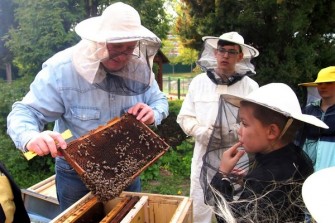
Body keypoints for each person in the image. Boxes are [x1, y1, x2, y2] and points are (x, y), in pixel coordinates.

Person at [7, 2, 168, 211]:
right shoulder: (62, 69)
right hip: (75, 176)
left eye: (130, 48)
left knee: (126, 216)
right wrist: (31, 136)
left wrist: (153, 113)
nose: (122, 56)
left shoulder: (139, 68)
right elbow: (24, 112)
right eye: (116, 46)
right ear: (98, 41)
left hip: (127, 169)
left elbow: (160, 101)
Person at [208, 83, 328, 223]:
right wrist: (249, 181)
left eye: (244, 124)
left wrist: (222, 174)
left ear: (271, 131)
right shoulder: (292, 156)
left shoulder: (265, 179)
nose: (238, 130)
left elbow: (231, 218)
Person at [177, 31, 259, 223]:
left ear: (240, 56)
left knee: (234, 209)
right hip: (203, 158)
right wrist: (201, 132)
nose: (225, 56)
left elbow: (257, 123)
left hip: (237, 159)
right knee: (199, 208)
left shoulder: (251, 87)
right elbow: (184, 117)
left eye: (231, 52)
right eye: (221, 50)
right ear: (215, 53)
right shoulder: (198, 83)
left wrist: (237, 134)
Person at [296, 66, 335, 172]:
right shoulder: (309, 109)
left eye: (328, 83)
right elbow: (299, 137)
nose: (322, 87)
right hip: (308, 167)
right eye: (320, 83)